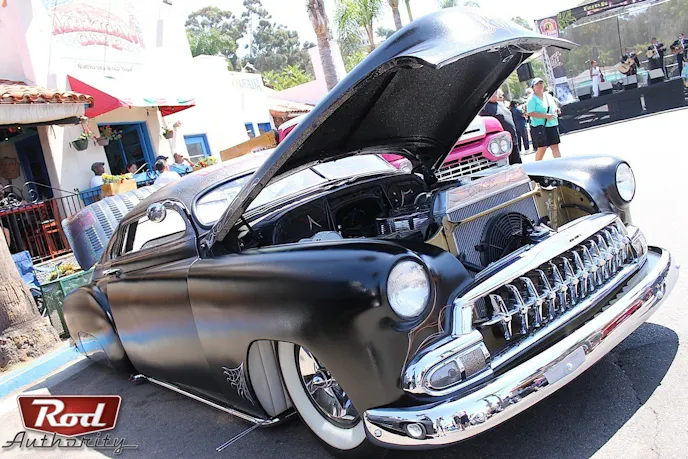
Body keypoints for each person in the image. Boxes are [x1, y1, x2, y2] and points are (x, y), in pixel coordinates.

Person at [480, 89, 521, 164]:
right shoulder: (484, 108)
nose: (495, 93)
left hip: (513, 141)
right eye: (493, 92)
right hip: (501, 145)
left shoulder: (501, 104)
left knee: (518, 165)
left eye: (496, 91)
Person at [526, 78, 561, 162]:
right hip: (539, 126)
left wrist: (556, 110)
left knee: (555, 146)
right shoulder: (532, 99)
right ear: (533, 87)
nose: (539, 85)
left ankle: (559, 164)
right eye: (537, 84)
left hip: (551, 124)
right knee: (542, 147)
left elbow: (553, 106)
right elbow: (530, 112)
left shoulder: (548, 96)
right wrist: (545, 116)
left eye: (541, 83)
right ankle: (537, 165)